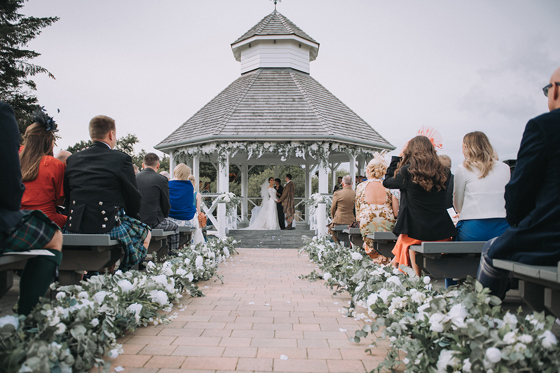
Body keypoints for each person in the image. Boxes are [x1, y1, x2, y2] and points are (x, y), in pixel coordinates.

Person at [477, 67, 560, 299]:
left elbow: (520, 190)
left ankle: (481, 316)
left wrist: (517, 223)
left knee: (490, 251)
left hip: (551, 236)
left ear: (554, 91)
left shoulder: (543, 126)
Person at [64, 115, 151, 271]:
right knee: (145, 232)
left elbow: (68, 195)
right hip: (106, 224)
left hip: (75, 225)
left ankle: (103, 269)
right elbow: (133, 196)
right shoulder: (121, 159)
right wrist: (133, 217)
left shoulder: (73, 159)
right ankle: (123, 274)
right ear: (111, 134)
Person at [0, 102, 63, 315]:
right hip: (34, 216)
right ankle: (26, 315)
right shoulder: (53, 165)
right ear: (49, 142)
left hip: (20, 214)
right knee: (57, 233)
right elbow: (59, 198)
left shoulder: (19, 154)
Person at [383, 136, 456, 276]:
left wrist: (397, 158)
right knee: (404, 242)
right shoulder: (445, 172)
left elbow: (387, 182)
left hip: (416, 231)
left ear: (411, 151)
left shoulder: (407, 171)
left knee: (404, 241)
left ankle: (411, 276)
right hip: (442, 230)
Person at [454, 132, 510, 241]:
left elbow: (458, 205)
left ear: (467, 148)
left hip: (473, 229)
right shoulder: (505, 168)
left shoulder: (462, 169)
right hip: (502, 227)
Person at [19, 110, 67, 228]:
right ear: (49, 141)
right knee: (74, 221)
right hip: (45, 220)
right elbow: (59, 201)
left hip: (14, 219)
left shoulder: (13, 158)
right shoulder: (54, 164)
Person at [355, 154, 399, 263]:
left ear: (368, 170)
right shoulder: (389, 186)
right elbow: (395, 211)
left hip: (367, 221)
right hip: (387, 221)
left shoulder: (360, 186)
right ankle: (385, 260)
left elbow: (358, 211)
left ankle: (376, 261)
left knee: (368, 239)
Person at [136, 153, 180, 254]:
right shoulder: (161, 179)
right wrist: (164, 216)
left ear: (143, 165)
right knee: (175, 227)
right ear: (158, 166)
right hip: (153, 222)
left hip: (137, 221)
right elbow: (165, 203)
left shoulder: (134, 178)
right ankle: (172, 256)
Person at [168, 164, 198, 228]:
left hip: (170, 218)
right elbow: (189, 203)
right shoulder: (190, 186)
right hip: (186, 219)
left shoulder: (168, 184)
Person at [329, 175, 356, 244]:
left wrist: (334, 218)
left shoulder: (337, 193)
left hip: (339, 220)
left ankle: (338, 246)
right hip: (352, 221)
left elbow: (332, 208)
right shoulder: (356, 194)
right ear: (352, 183)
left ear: (342, 183)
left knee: (331, 230)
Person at [188, 174, 205, 244]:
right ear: (194, 183)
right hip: (194, 216)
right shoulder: (197, 194)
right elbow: (198, 209)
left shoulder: (185, 193)